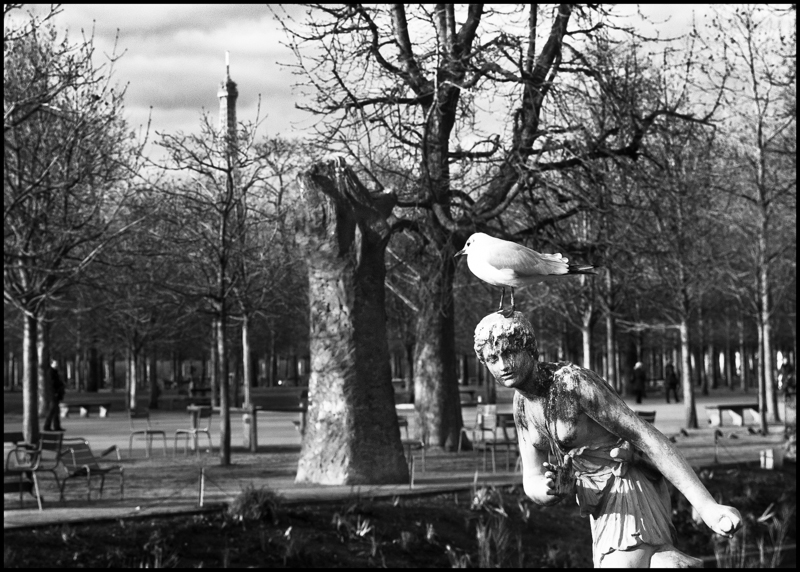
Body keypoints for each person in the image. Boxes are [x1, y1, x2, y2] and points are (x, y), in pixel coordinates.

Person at [474, 312, 741, 568]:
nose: (503, 365)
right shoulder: (521, 405)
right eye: (493, 358)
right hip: (596, 499)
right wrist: (552, 489)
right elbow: (531, 477)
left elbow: (645, 436)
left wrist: (706, 506)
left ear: (529, 348)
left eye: (510, 352)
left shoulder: (572, 384)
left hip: (627, 485)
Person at [43, 359, 65, 432]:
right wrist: (55, 392)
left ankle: (56, 426)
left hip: (55, 394)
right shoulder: (51, 372)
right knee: (52, 410)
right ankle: (47, 426)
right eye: (55, 363)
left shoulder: (55, 372)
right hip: (53, 394)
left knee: (55, 411)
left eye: (57, 363)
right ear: (51, 364)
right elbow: (52, 384)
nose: (57, 365)